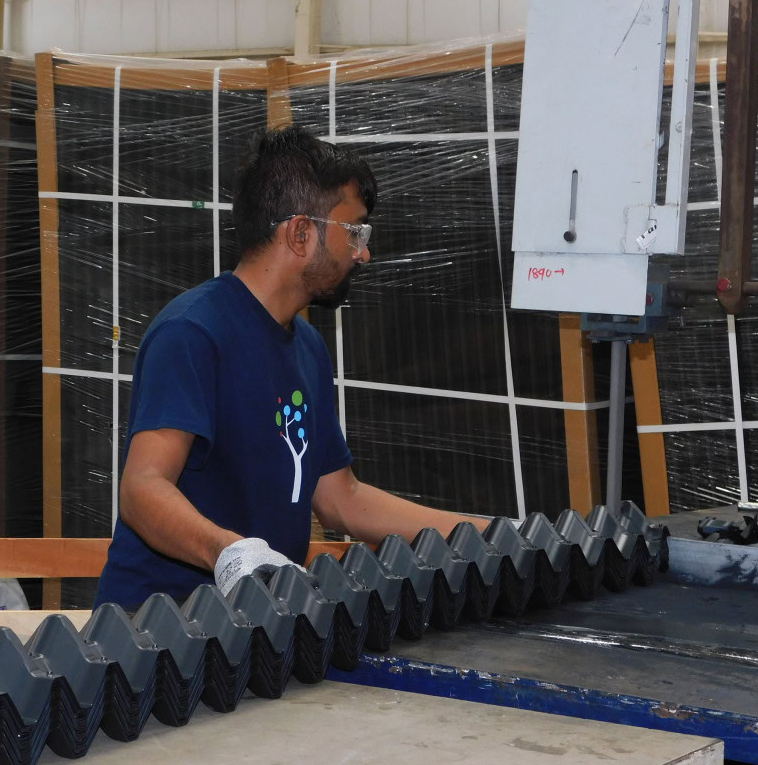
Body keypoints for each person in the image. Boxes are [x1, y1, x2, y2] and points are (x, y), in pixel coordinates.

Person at [94, 125, 482, 611]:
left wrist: (481, 535)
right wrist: (230, 554)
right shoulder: (192, 333)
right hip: (158, 632)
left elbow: (342, 499)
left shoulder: (308, 347)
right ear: (301, 233)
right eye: (354, 231)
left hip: (259, 626)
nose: (364, 252)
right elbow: (142, 488)